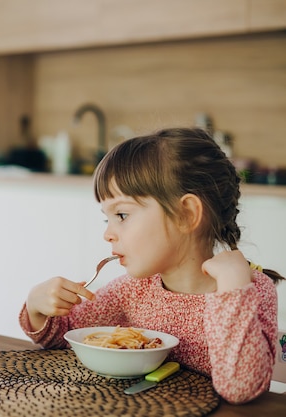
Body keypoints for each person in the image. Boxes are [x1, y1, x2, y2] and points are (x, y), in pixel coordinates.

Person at [19, 127, 283, 404]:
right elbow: (65, 334)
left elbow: (240, 388)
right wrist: (37, 305)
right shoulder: (132, 290)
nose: (107, 233)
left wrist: (233, 291)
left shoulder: (251, 291)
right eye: (106, 219)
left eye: (121, 214)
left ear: (186, 214)